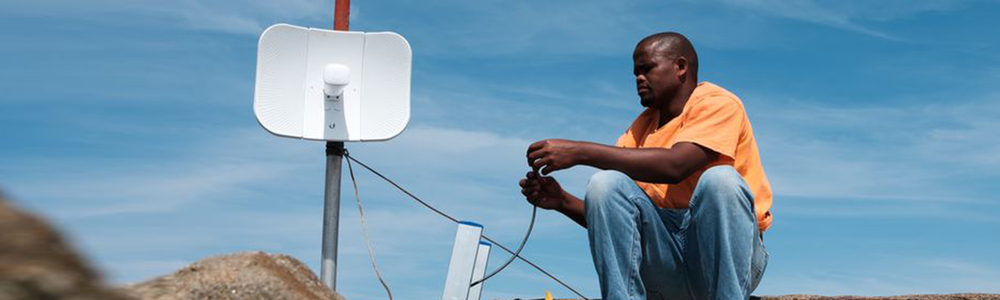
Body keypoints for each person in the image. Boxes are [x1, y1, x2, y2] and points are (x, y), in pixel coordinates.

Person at [519, 32, 772, 300]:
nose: (639, 78)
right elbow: (618, 218)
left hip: (727, 267)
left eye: (647, 69)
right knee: (605, 184)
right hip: (668, 271)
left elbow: (677, 165)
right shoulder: (640, 129)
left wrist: (580, 151)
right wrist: (561, 201)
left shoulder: (717, 103)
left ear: (680, 67)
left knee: (720, 181)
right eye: (635, 73)